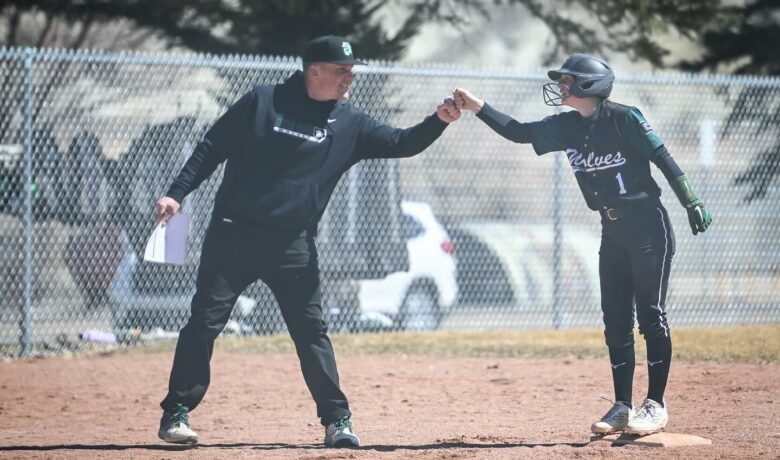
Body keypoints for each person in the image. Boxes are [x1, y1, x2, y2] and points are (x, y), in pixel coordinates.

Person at [154, 35, 461, 447]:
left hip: (292, 245)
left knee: (311, 332)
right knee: (203, 324)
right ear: (313, 70)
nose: (348, 79)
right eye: (341, 71)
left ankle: (338, 421)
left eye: (351, 72)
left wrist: (438, 119)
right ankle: (177, 411)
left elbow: (402, 143)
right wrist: (177, 192)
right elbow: (212, 147)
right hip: (234, 234)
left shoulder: (349, 123)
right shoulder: (263, 102)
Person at [453, 53, 711, 436]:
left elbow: (662, 157)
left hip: (647, 228)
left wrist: (691, 199)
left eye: (568, 81)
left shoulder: (626, 118)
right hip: (612, 232)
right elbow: (519, 132)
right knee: (615, 320)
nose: (561, 87)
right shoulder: (566, 126)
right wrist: (478, 107)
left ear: (590, 85)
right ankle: (623, 406)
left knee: (651, 317)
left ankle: (655, 404)